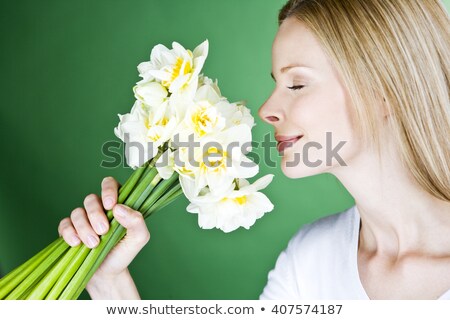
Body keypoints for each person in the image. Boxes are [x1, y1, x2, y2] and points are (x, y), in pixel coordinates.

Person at [58, 0, 450, 299]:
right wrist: (108, 281)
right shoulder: (311, 258)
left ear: (384, 93)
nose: (265, 110)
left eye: (297, 84)